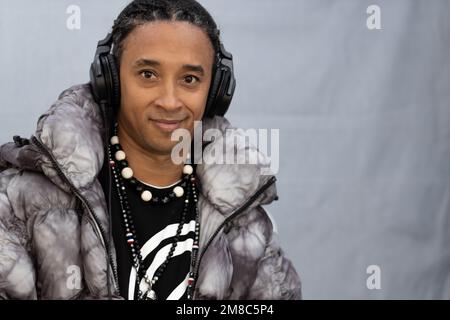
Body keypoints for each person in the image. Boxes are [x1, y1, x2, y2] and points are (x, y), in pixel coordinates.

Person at [0, 0, 301, 300]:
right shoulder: (22, 200)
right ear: (111, 81)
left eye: (189, 79)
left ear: (215, 92)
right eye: (148, 74)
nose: (169, 101)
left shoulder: (243, 221)